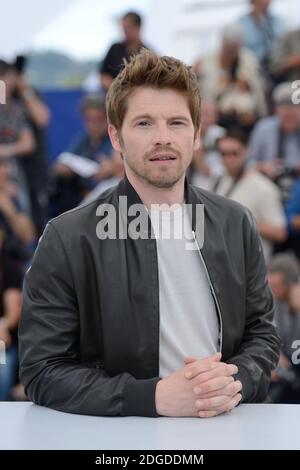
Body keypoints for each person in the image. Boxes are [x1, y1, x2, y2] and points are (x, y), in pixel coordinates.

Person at [19, 49, 280, 418]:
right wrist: (150, 397)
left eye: (176, 123)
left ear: (196, 134)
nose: (163, 138)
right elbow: (42, 370)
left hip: (225, 429)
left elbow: (263, 336)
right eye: (143, 123)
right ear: (115, 136)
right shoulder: (68, 238)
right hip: (119, 440)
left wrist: (231, 381)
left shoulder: (236, 222)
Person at [211, 129, 286, 262]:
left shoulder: (264, 188)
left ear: (246, 151)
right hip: (222, 263)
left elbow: (280, 232)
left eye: (234, 153)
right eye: (223, 153)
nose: (229, 158)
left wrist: (242, 221)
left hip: (251, 268)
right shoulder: (218, 181)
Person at [99, 11, 147, 91]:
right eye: (124, 28)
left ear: (138, 27)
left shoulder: (148, 54)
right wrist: (117, 89)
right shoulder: (115, 49)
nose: (125, 31)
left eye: (128, 27)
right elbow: (103, 76)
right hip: (114, 96)